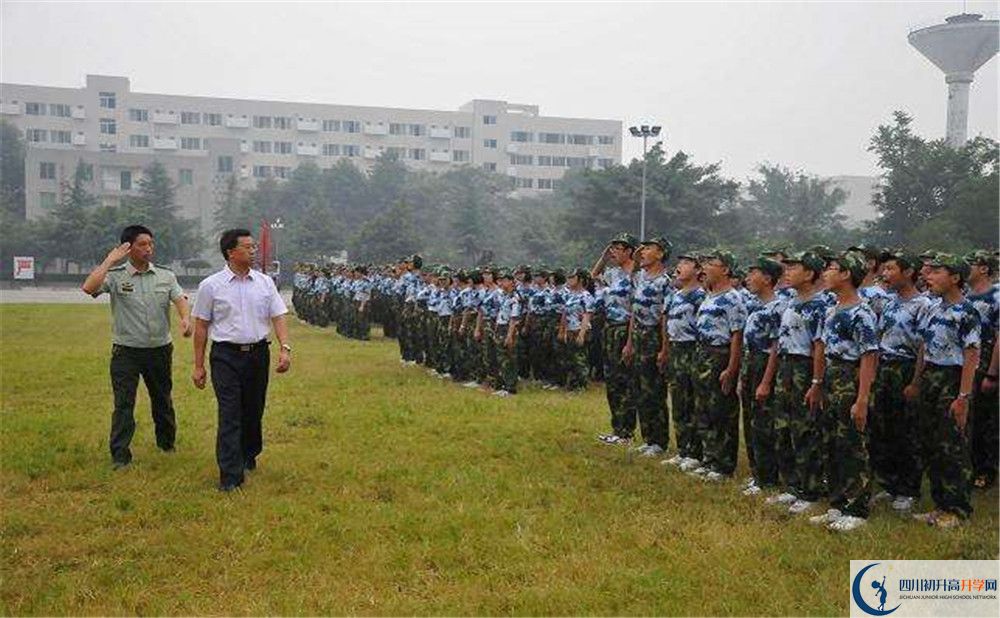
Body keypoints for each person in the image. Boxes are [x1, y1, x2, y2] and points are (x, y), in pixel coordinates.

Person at [82, 225, 192, 469]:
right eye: (142, 244)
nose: (148, 248)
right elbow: (89, 288)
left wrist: (185, 319)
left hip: (159, 350)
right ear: (128, 248)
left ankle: (166, 444)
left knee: (162, 399)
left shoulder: (165, 275)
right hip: (126, 352)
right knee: (124, 403)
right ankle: (120, 455)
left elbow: (180, 298)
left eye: (150, 244)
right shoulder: (115, 275)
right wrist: (110, 260)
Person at [191, 229, 292, 492]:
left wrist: (285, 347)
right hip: (225, 356)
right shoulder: (211, 286)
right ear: (230, 252)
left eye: (254, 247)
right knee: (230, 414)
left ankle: (249, 453)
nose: (253, 251)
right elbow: (201, 326)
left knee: (253, 410)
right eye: (247, 247)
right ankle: (230, 475)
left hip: (258, 354)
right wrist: (198, 365)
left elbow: (278, 315)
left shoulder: (265, 283)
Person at [806, 251, 878, 531]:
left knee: (852, 445)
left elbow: (869, 357)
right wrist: (817, 383)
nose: (825, 273)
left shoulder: (862, 313)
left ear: (847, 274)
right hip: (832, 378)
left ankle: (857, 509)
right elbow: (822, 349)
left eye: (832, 269)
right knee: (831, 443)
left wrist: (861, 400)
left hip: (851, 377)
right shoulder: (831, 309)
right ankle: (837, 504)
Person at [911, 253, 981, 527]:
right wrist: (917, 381)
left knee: (953, 445)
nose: (929, 276)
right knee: (932, 443)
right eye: (929, 272)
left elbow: (972, 354)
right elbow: (924, 347)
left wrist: (963, 396)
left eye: (937, 272)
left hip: (953, 379)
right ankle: (940, 505)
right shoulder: (932, 308)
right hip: (931, 376)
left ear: (955, 278)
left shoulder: (967, 312)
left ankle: (957, 509)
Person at [869, 250, 931, 513]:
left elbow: (923, 347)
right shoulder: (888, 302)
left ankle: (908, 489)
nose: (886, 274)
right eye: (884, 269)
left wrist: (916, 381)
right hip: (885, 367)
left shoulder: (923, 305)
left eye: (892, 269)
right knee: (883, 429)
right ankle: (889, 483)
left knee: (908, 430)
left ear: (908, 272)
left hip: (907, 368)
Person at [691, 249, 746, 481]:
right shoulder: (709, 296)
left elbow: (737, 335)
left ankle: (723, 465)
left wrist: (731, 368)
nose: (705, 268)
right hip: (702, 353)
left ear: (725, 269)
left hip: (719, 355)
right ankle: (709, 458)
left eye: (711, 263)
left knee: (721, 411)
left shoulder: (733, 298)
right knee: (704, 409)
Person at [738, 256, 786, 495]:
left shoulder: (778, 308)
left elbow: (776, 348)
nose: (747, 278)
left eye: (753, 273)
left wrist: (766, 381)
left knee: (764, 424)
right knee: (750, 422)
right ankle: (757, 474)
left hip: (765, 364)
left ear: (768, 279)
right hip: (750, 363)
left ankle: (768, 477)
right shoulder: (754, 305)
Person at [623, 236, 673, 457]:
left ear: (660, 254)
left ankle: (659, 441)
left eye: (649, 248)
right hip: (639, 333)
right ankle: (647, 437)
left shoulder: (666, 282)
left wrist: (664, 348)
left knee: (654, 389)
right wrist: (629, 342)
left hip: (654, 335)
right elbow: (634, 310)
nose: (643, 251)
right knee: (640, 389)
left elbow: (665, 317)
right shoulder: (641, 277)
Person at [592, 233, 639, 445]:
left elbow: (635, 311)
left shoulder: (636, 275)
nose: (614, 253)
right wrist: (604, 256)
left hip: (624, 329)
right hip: (610, 328)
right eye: (612, 249)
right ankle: (617, 429)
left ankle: (626, 432)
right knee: (612, 382)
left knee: (625, 381)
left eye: (618, 249)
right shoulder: (614, 273)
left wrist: (630, 342)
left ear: (630, 251)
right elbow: (594, 275)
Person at [662, 251, 706, 471]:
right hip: (676, 349)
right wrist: (666, 350)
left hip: (692, 349)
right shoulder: (675, 295)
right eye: (680, 262)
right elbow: (668, 324)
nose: (680, 266)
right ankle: (683, 449)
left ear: (698, 270)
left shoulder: (700, 296)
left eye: (687, 263)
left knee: (692, 401)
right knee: (678, 400)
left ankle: (696, 452)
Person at [964, 250, 999, 490]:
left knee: (986, 419)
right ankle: (970, 466)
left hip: (987, 358)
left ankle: (986, 471)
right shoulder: (966, 296)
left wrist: (992, 373)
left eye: (971, 264)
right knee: (969, 418)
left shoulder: (996, 297)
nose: (966, 268)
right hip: (968, 358)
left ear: (984, 268)